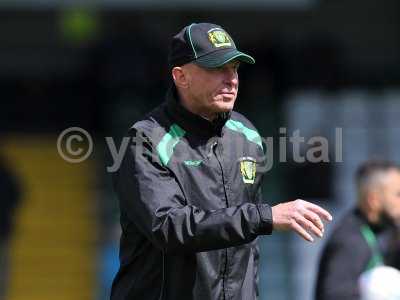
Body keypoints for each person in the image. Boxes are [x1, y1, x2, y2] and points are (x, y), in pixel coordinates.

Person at [111, 22, 332, 300]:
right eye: (217, 68)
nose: (232, 79)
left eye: (235, 68)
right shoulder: (146, 140)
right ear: (181, 76)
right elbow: (169, 227)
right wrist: (264, 216)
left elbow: (248, 248)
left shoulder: (247, 135)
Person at [315, 160, 400, 300]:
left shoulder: (388, 230)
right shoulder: (350, 240)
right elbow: (334, 295)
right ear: (374, 200)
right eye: (398, 195)